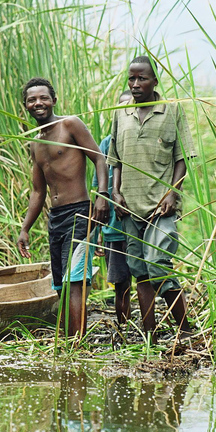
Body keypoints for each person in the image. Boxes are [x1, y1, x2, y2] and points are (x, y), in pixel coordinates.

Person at [107, 56, 195, 342]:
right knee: (139, 270)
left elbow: (182, 158)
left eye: (141, 78)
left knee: (158, 264)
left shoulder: (171, 111)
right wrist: (115, 192)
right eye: (131, 79)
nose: (135, 84)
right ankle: (150, 335)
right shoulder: (121, 111)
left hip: (161, 206)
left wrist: (172, 191)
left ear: (155, 81)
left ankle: (185, 330)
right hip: (129, 206)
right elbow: (115, 159)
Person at [16, 77, 109, 336]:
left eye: (43, 98)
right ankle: (69, 339)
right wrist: (25, 228)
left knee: (74, 279)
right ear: (25, 106)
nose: (38, 103)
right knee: (60, 283)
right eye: (32, 100)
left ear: (53, 100)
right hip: (55, 218)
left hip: (79, 212)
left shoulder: (70, 125)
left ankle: (76, 343)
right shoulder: (35, 143)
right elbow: (38, 191)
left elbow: (99, 158)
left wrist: (102, 195)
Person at [93, 91, 133, 325]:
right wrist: (97, 232)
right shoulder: (107, 144)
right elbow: (99, 190)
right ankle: (124, 331)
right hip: (113, 230)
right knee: (121, 286)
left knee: (148, 279)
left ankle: (150, 333)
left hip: (139, 226)